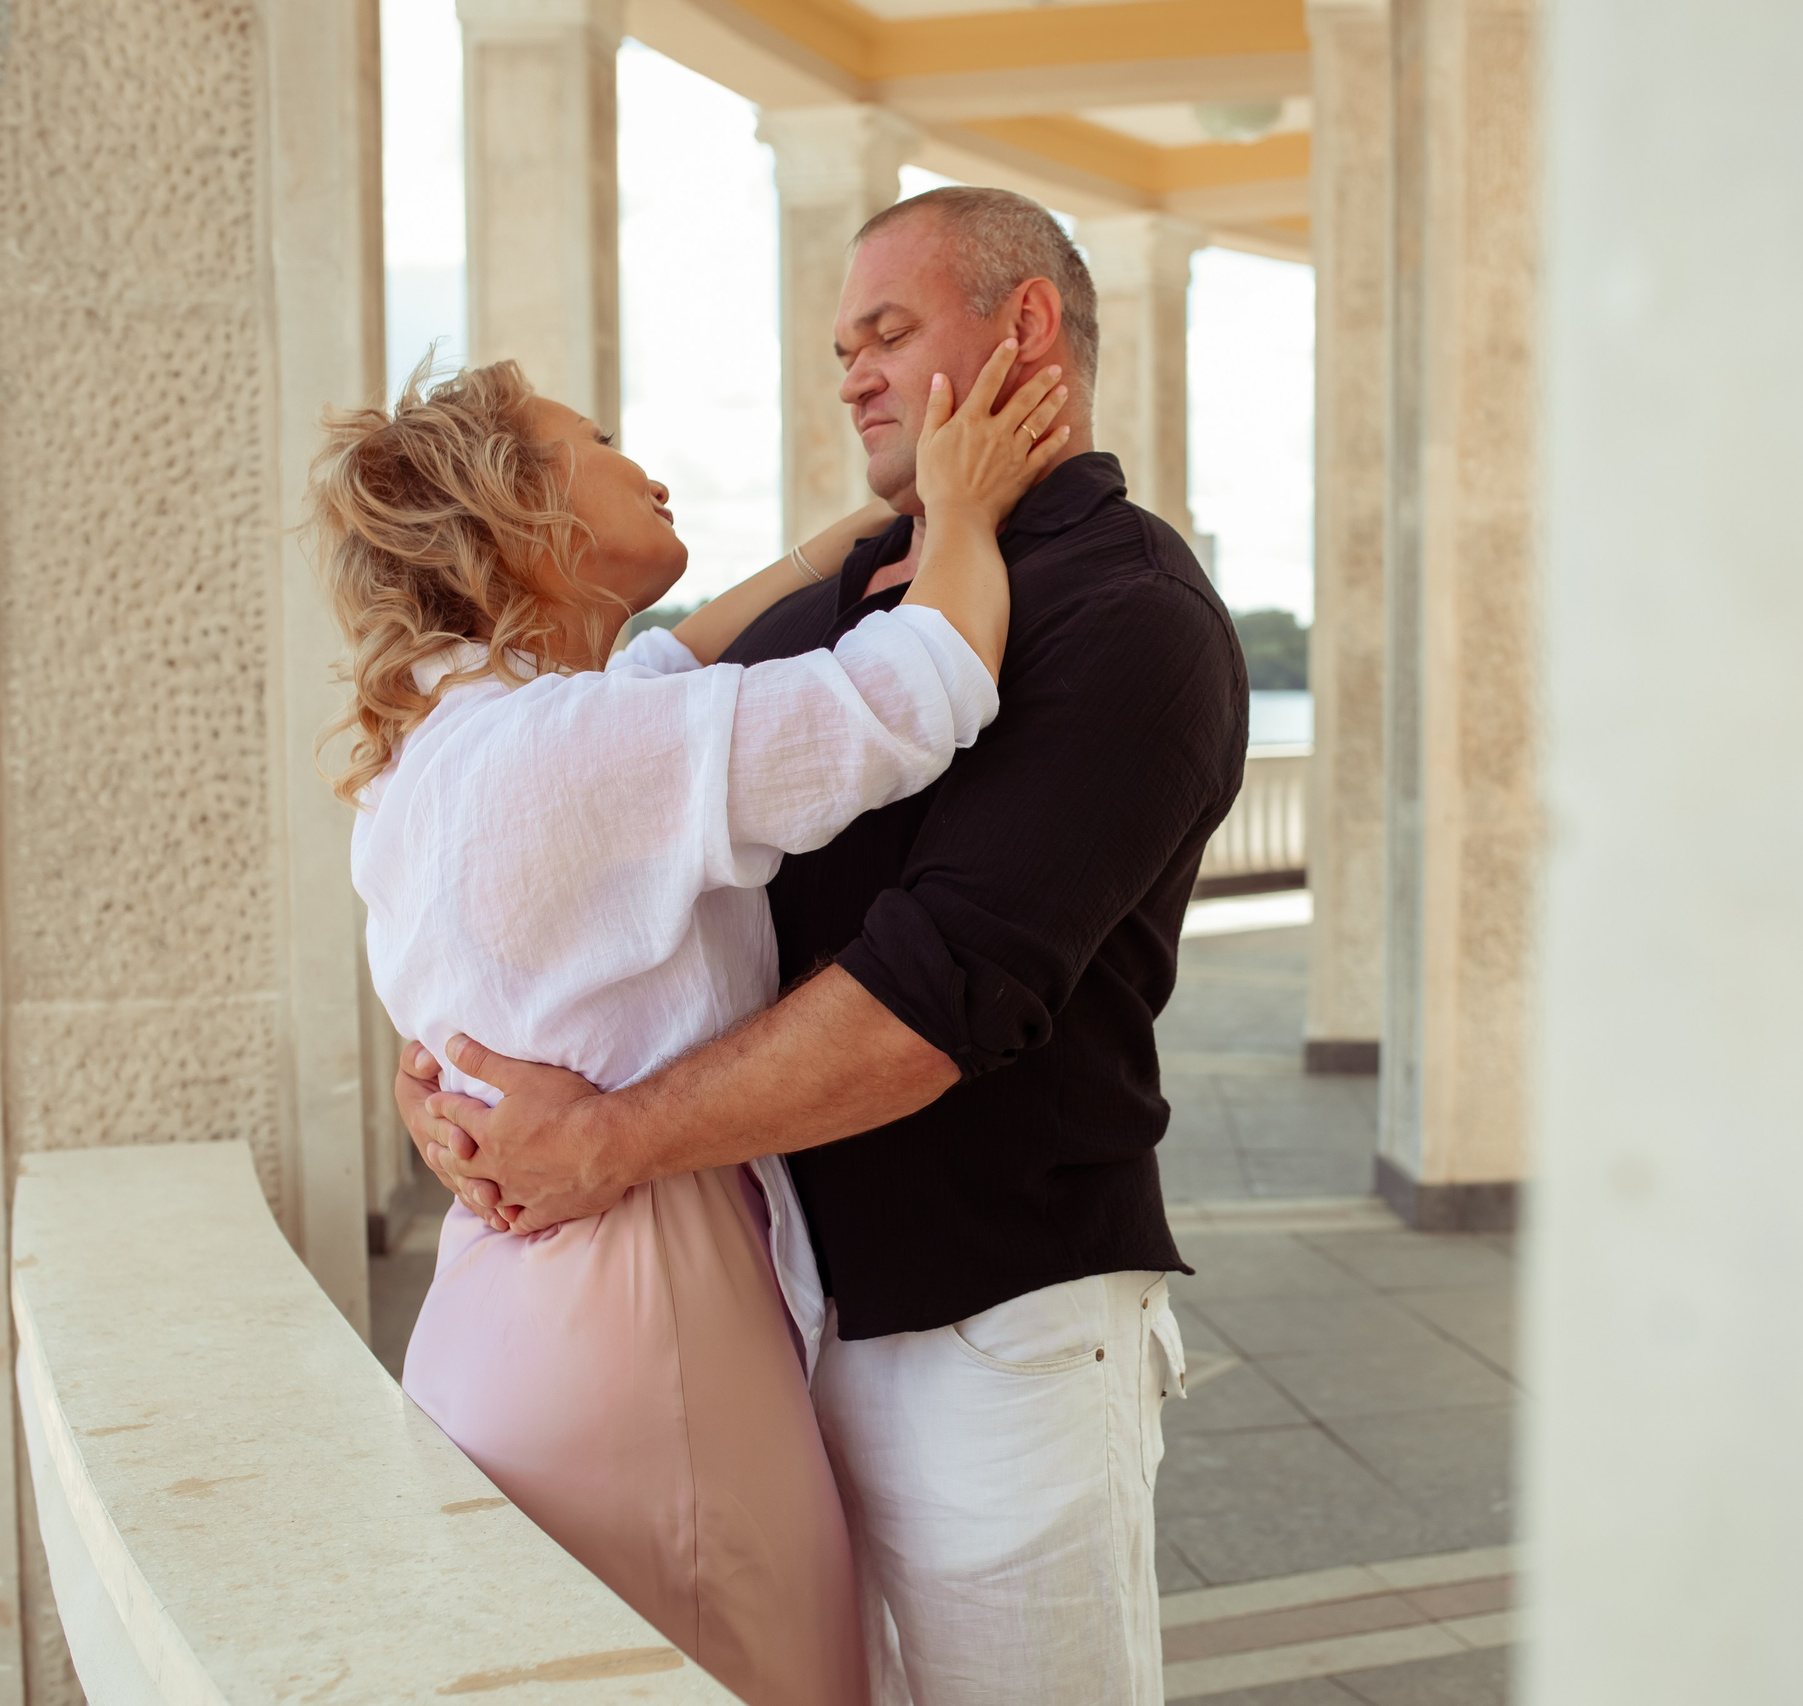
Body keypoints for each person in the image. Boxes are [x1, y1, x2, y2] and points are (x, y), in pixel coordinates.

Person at [399, 186, 1250, 1706]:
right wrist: (449, 1070)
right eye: (836, 347)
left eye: (886, 332)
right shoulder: (844, 602)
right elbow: (599, 846)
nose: (846, 370)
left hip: (1003, 1336)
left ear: (1026, 328)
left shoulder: (1132, 619)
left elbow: (926, 1003)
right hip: (790, 1325)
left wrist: (598, 1141)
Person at [316, 339, 1071, 1706]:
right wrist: (959, 516)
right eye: (598, 440)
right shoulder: (567, 754)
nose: (646, 463)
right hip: (649, 1311)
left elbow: (674, 667)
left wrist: (874, 516)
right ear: (526, 518)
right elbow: (917, 692)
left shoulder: (446, 741)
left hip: (507, 1308)